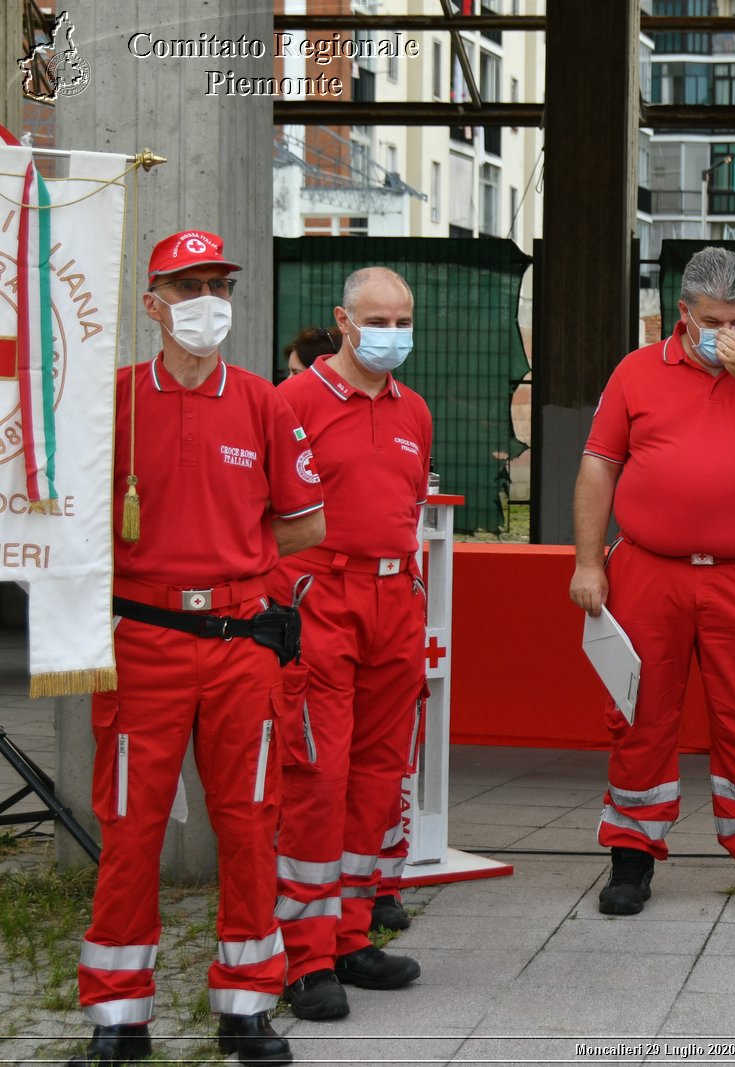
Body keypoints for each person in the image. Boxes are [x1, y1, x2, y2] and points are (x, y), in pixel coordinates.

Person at [73, 229, 325, 1066]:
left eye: (218, 283)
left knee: (250, 823)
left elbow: (306, 521)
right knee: (131, 827)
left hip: (239, 646)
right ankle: (119, 1017)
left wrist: (234, 573)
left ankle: (246, 1003)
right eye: (187, 288)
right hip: (140, 644)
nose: (206, 302)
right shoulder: (110, 401)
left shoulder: (264, 401)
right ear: (152, 305)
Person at [569, 246, 735, 917]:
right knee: (639, 715)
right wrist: (589, 560)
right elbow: (599, 466)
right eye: (712, 319)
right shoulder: (635, 372)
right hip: (647, 571)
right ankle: (630, 857)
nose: (726, 332)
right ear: (682, 314)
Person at [272, 268, 431, 1021]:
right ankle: (304, 957)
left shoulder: (415, 410)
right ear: (343, 320)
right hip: (320, 599)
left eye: (403, 317)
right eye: (378, 317)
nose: (392, 330)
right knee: (317, 774)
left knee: (377, 772)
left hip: (395, 599)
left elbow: (408, 505)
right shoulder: (291, 404)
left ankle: (351, 934)